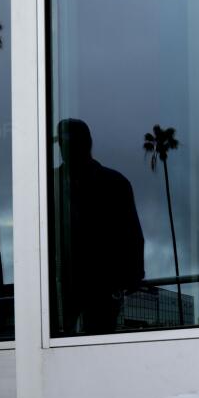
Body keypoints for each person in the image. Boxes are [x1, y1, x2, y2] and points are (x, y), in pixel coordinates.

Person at [52, 118, 145, 335]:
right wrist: (133, 275)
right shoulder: (51, 182)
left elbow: (132, 234)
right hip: (75, 284)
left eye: (70, 143)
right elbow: (133, 234)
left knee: (92, 340)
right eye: (63, 144)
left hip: (98, 284)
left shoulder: (113, 183)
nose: (66, 149)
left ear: (87, 144)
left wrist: (131, 275)